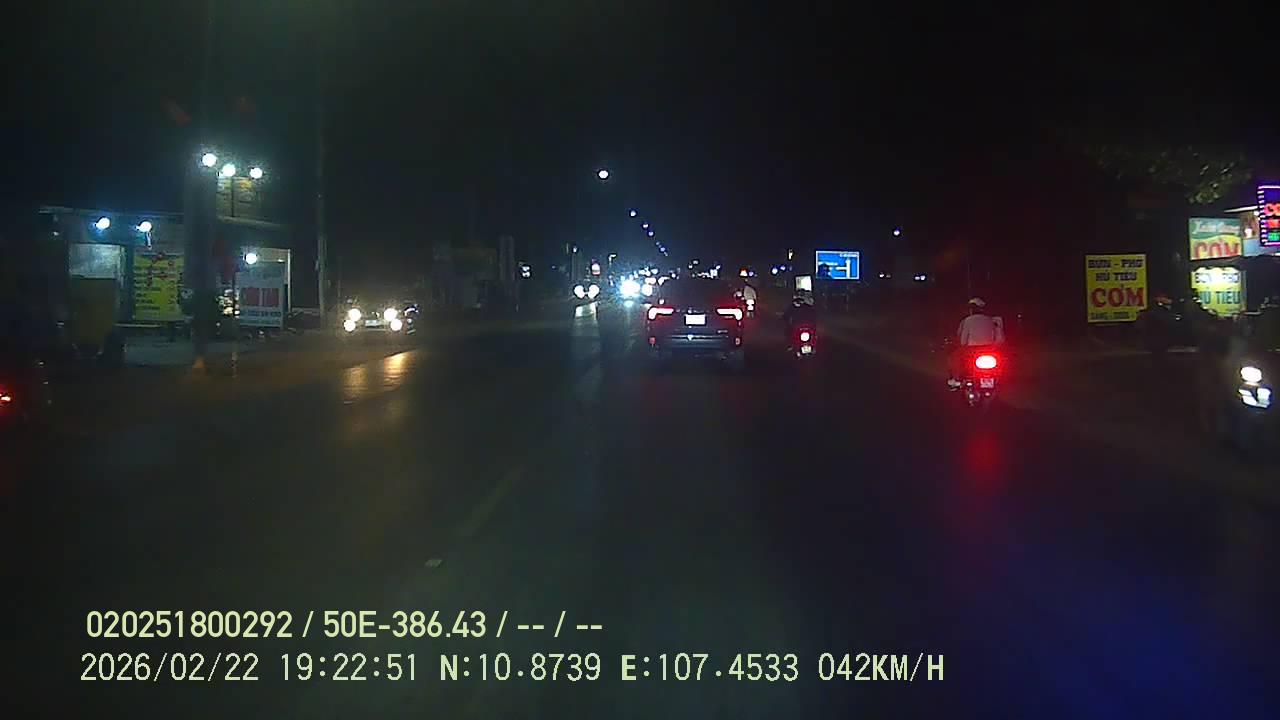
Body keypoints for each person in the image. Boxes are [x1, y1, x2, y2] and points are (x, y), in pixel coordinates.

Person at [947, 297, 1005, 389]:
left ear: (972, 309)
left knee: (954, 357)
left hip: (971, 351)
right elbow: (999, 340)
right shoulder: (992, 320)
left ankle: (956, 380)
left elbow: (963, 341)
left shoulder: (967, 320)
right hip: (990, 350)